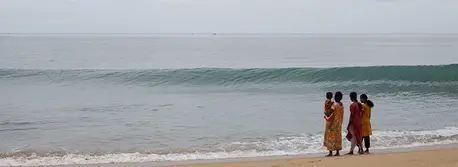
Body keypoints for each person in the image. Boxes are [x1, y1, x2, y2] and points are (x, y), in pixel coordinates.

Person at [323, 91, 344, 157]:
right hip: (339, 122)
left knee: (331, 136)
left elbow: (329, 113)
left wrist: (325, 113)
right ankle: (337, 152)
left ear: (335, 97)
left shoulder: (334, 105)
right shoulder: (341, 104)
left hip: (333, 123)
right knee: (337, 137)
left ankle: (330, 152)